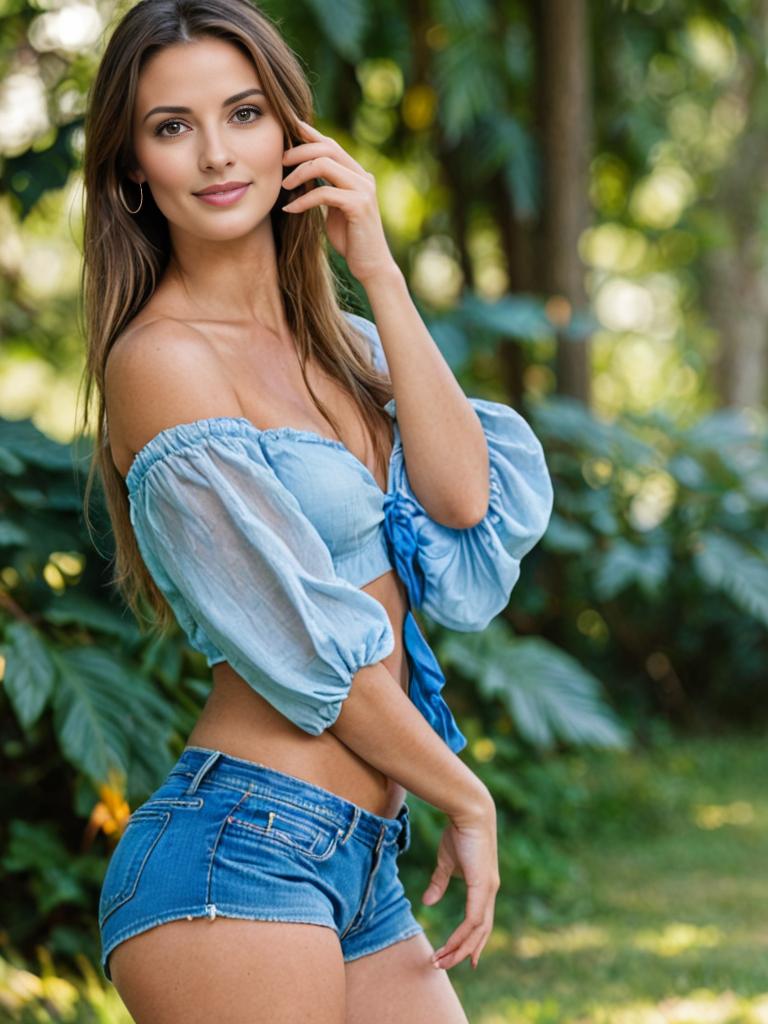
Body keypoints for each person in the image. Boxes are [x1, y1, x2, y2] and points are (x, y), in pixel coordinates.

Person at [79, 0, 554, 1020]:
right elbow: (314, 650)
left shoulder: (340, 342)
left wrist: (375, 264)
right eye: (172, 127)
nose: (215, 154)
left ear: (290, 134)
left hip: (356, 862)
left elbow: (462, 495)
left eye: (243, 113)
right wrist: (464, 792)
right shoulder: (162, 361)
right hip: (238, 854)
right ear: (132, 170)